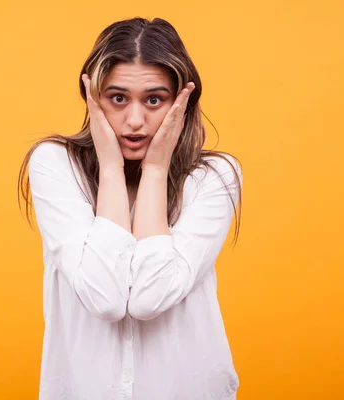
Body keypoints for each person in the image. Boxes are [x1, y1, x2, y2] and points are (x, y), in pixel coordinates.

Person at [17, 17, 243, 400]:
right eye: (117, 98)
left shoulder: (215, 176)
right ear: (92, 96)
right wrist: (110, 168)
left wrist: (154, 170)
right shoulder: (54, 165)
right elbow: (104, 298)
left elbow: (148, 299)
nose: (134, 121)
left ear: (182, 103)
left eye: (154, 100)